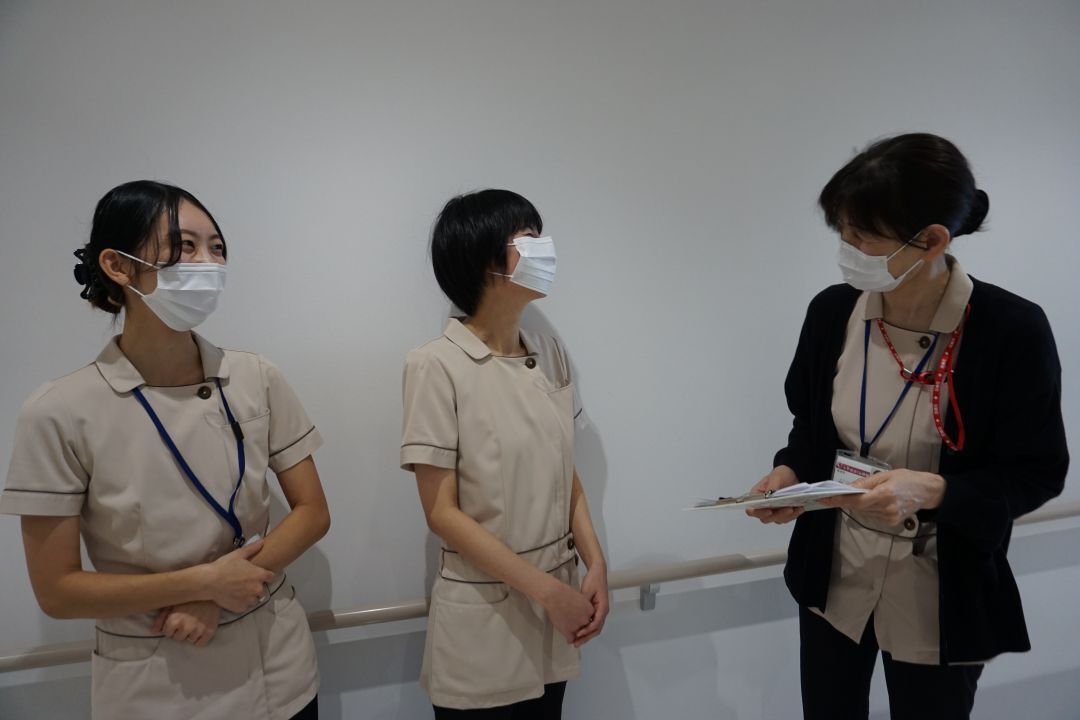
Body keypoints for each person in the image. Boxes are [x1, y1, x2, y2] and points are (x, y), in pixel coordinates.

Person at [747, 133, 1068, 719]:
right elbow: (810, 428)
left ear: (932, 241)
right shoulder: (832, 313)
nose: (848, 251)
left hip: (941, 590)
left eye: (864, 238)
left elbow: (1037, 472)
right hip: (834, 576)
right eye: (843, 234)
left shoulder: (1010, 330)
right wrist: (790, 472)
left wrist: (933, 490)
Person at [1, 181, 331, 720]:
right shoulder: (58, 411)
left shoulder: (256, 376)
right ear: (118, 266)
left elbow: (313, 511)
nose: (208, 263)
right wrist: (201, 584)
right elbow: (58, 591)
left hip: (280, 671)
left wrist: (215, 594)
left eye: (216, 248)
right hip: (160, 686)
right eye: (184, 248)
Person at [400, 189, 609, 718]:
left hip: (559, 606)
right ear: (482, 257)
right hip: (486, 617)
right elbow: (441, 513)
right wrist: (548, 593)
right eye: (527, 238)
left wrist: (596, 562)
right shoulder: (435, 365)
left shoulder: (551, 354)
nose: (545, 249)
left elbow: (565, 472)